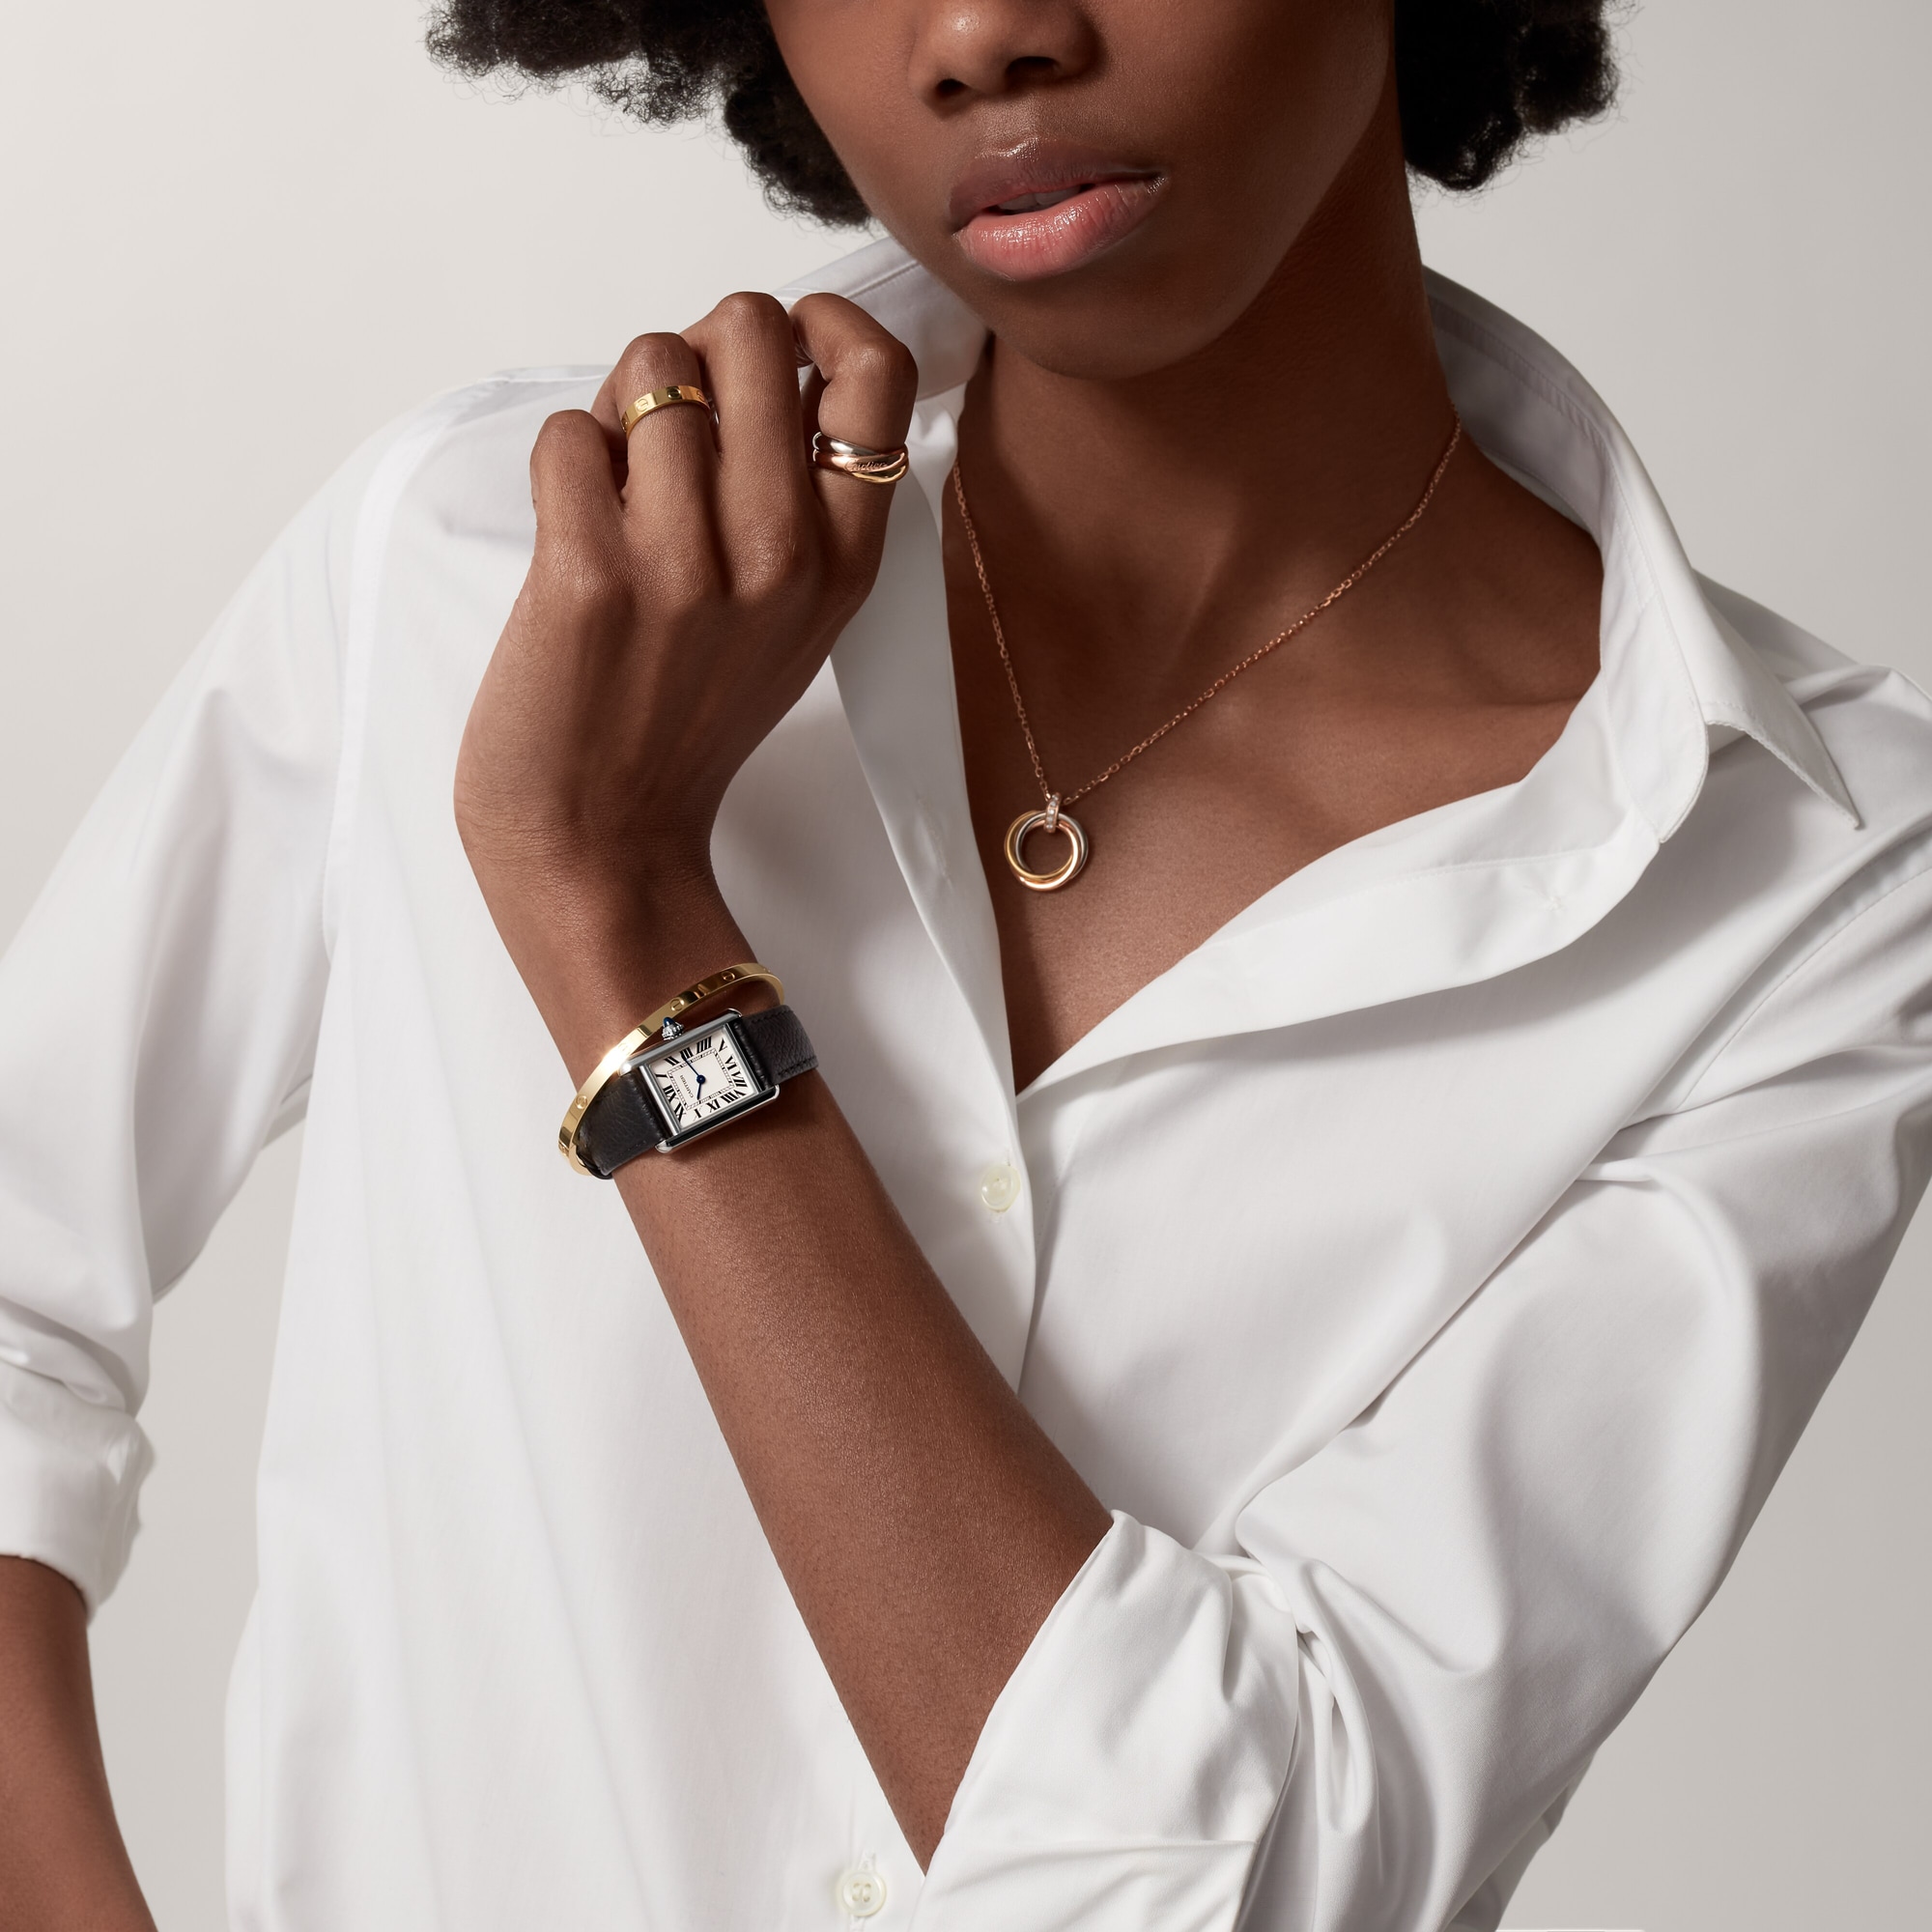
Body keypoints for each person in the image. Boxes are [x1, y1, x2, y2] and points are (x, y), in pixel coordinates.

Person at [3, 2, 1928, 1927]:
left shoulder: (1800, 875)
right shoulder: (481, 563)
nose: (983, 32)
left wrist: (617, 908)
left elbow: (1254, 1878)